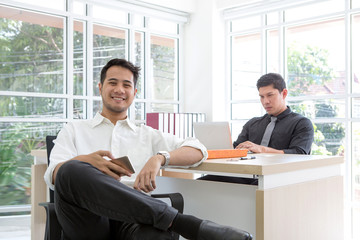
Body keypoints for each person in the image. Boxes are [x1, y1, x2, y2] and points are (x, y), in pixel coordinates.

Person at [44, 58, 252, 240]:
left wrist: (160, 158)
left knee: (157, 236)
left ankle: (172, 222)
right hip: (87, 217)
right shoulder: (74, 129)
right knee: (70, 169)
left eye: (126, 85)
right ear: (100, 87)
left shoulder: (147, 134)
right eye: (112, 83)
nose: (119, 90)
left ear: (134, 92)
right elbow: (53, 175)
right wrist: (85, 161)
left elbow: (198, 149)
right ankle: (184, 223)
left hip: (132, 217)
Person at [233, 73, 314, 154]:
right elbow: (234, 149)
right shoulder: (252, 124)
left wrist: (262, 150)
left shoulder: (301, 123)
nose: (265, 102)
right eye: (262, 96)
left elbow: (299, 154)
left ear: (284, 93)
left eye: (270, 95)